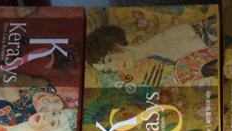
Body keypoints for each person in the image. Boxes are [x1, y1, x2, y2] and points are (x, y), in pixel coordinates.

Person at [86, 15, 218, 84]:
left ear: (116, 45)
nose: (115, 67)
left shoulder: (167, 38)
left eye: (109, 60)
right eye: (109, 70)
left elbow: (216, 36)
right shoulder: (158, 60)